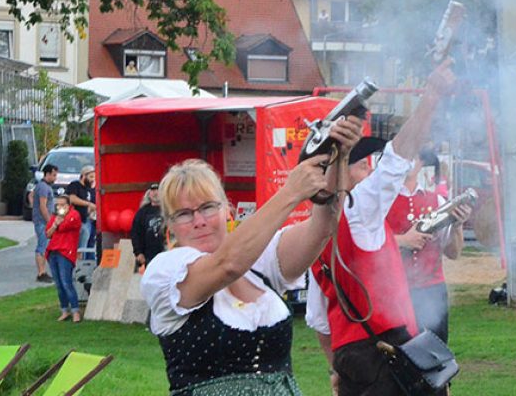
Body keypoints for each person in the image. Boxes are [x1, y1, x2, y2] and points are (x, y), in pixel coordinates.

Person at [140, 117, 362, 395]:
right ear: (170, 227)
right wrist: (291, 190)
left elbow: (323, 227)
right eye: (184, 214)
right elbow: (227, 266)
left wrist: (335, 157)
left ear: (227, 211)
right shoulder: (165, 273)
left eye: (208, 207)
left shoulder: (259, 260)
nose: (199, 220)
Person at [305, 59, 456, 396]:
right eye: (361, 164)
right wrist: (431, 96)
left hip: (351, 362)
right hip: (390, 358)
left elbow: (319, 320)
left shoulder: (309, 234)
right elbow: (398, 157)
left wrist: (337, 369)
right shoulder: (360, 209)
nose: (369, 171)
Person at [387, 149, 471, 344]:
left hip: (432, 290)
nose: (407, 163)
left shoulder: (436, 201)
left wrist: (457, 225)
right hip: (395, 291)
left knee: (436, 353)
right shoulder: (381, 204)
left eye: (412, 157)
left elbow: (454, 252)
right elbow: (369, 246)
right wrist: (403, 241)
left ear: (421, 162)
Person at [45, 195, 83, 322]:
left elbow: (65, 226)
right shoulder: (54, 218)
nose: (60, 208)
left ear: (69, 205)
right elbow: (48, 233)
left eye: (62, 205)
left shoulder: (74, 215)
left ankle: (75, 310)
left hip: (66, 252)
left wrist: (58, 223)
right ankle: (64, 310)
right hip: (53, 252)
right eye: (58, 205)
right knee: (59, 284)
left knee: (66, 282)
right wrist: (55, 224)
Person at [32, 164, 58, 282]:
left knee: (46, 246)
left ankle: (43, 271)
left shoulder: (42, 186)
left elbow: (31, 195)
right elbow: (43, 206)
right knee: (42, 247)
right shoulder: (43, 187)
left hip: (42, 221)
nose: (55, 178)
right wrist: (49, 222)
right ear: (47, 174)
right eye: (54, 175)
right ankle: (41, 273)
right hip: (42, 222)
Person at [66, 165, 96, 261]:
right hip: (79, 220)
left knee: (90, 244)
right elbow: (72, 199)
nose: (92, 180)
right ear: (83, 176)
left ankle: (89, 264)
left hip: (89, 220)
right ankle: (79, 265)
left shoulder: (90, 189)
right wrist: (88, 204)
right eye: (90, 177)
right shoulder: (75, 185)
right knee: (81, 245)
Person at [132, 183, 165, 271]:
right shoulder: (142, 212)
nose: (155, 193)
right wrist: (138, 252)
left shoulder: (169, 209)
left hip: (167, 252)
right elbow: (136, 233)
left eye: (158, 190)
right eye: (153, 191)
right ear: (148, 194)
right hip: (149, 255)